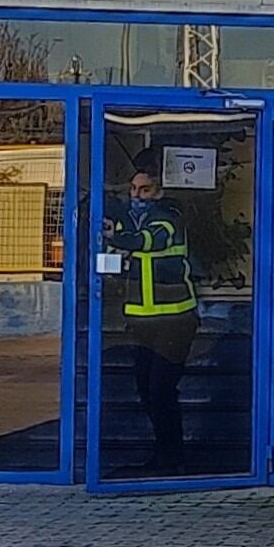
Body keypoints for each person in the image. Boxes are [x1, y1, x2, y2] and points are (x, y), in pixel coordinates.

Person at [98, 154, 200, 471]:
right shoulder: (132, 218)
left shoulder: (170, 214)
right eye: (133, 189)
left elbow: (149, 240)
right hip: (142, 321)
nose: (136, 196)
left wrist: (117, 236)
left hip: (175, 320)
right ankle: (163, 453)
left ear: (158, 191)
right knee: (146, 390)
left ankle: (173, 457)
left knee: (161, 390)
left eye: (144, 190)